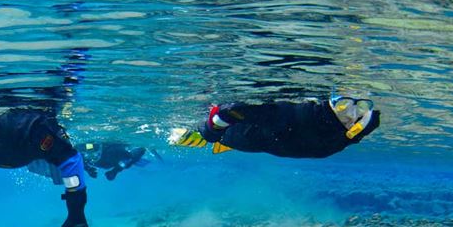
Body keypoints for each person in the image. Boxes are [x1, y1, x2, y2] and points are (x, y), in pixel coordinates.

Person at [171, 94, 380, 158]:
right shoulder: (333, 141)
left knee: (211, 123)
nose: (352, 110)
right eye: (346, 104)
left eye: (354, 108)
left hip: (234, 134)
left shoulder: (296, 115)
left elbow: (228, 112)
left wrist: (213, 130)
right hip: (250, 139)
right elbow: (355, 135)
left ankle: (205, 134)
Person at [77, 142, 156, 181]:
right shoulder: (82, 153)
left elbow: (132, 157)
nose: (90, 154)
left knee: (129, 160)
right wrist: (88, 169)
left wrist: (115, 171)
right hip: (109, 162)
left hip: (115, 158)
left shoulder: (113, 152)